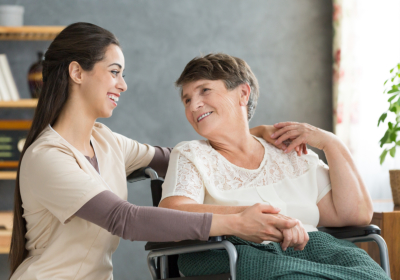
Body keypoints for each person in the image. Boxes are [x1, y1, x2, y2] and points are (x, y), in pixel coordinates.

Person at [8, 23, 306, 280]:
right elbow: (125, 219)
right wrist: (237, 222)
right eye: (114, 72)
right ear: (77, 72)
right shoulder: (47, 157)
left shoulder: (106, 142)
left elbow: (185, 158)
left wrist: (249, 134)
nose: (123, 85)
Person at [159, 53, 390, 279]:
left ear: (242, 93)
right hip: (237, 253)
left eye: (204, 90)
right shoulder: (192, 154)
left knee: (371, 273)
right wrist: (253, 218)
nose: (193, 105)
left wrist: (330, 142)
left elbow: (355, 215)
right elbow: (171, 214)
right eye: (187, 100)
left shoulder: (288, 151)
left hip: (312, 250)